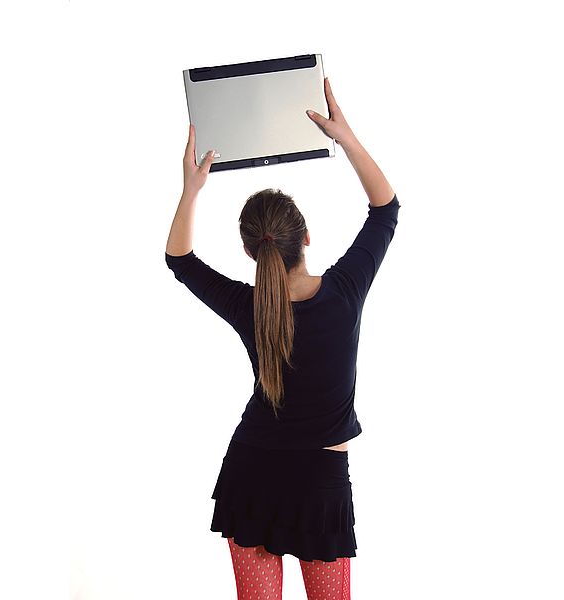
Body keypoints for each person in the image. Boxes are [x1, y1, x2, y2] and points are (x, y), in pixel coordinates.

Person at [165, 76, 399, 600]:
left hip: (252, 478)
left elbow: (179, 260)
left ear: (252, 253)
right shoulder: (344, 291)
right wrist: (345, 137)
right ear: (306, 237)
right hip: (321, 485)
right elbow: (386, 209)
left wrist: (191, 188)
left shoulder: (249, 306)